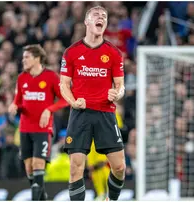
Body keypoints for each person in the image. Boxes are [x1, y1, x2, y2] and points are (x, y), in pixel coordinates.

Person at [59, 6, 126, 201]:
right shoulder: (72, 52)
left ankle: (111, 199)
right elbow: (63, 84)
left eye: (104, 16)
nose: (101, 18)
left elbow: (120, 85)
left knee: (119, 167)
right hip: (81, 113)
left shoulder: (113, 53)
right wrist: (73, 102)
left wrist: (118, 93)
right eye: (96, 15)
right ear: (87, 22)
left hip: (105, 113)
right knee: (75, 167)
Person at [8, 44, 68, 200]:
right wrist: (15, 107)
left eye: (27, 57)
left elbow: (64, 99)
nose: (23, 60)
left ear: (37, 58)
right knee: (29, 167)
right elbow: (18, 101)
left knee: (38, 164)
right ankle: (43, 198)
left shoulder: (50, 77)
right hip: (24, 128)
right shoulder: (22, 78)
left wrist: (49, 110)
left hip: (42, 129)